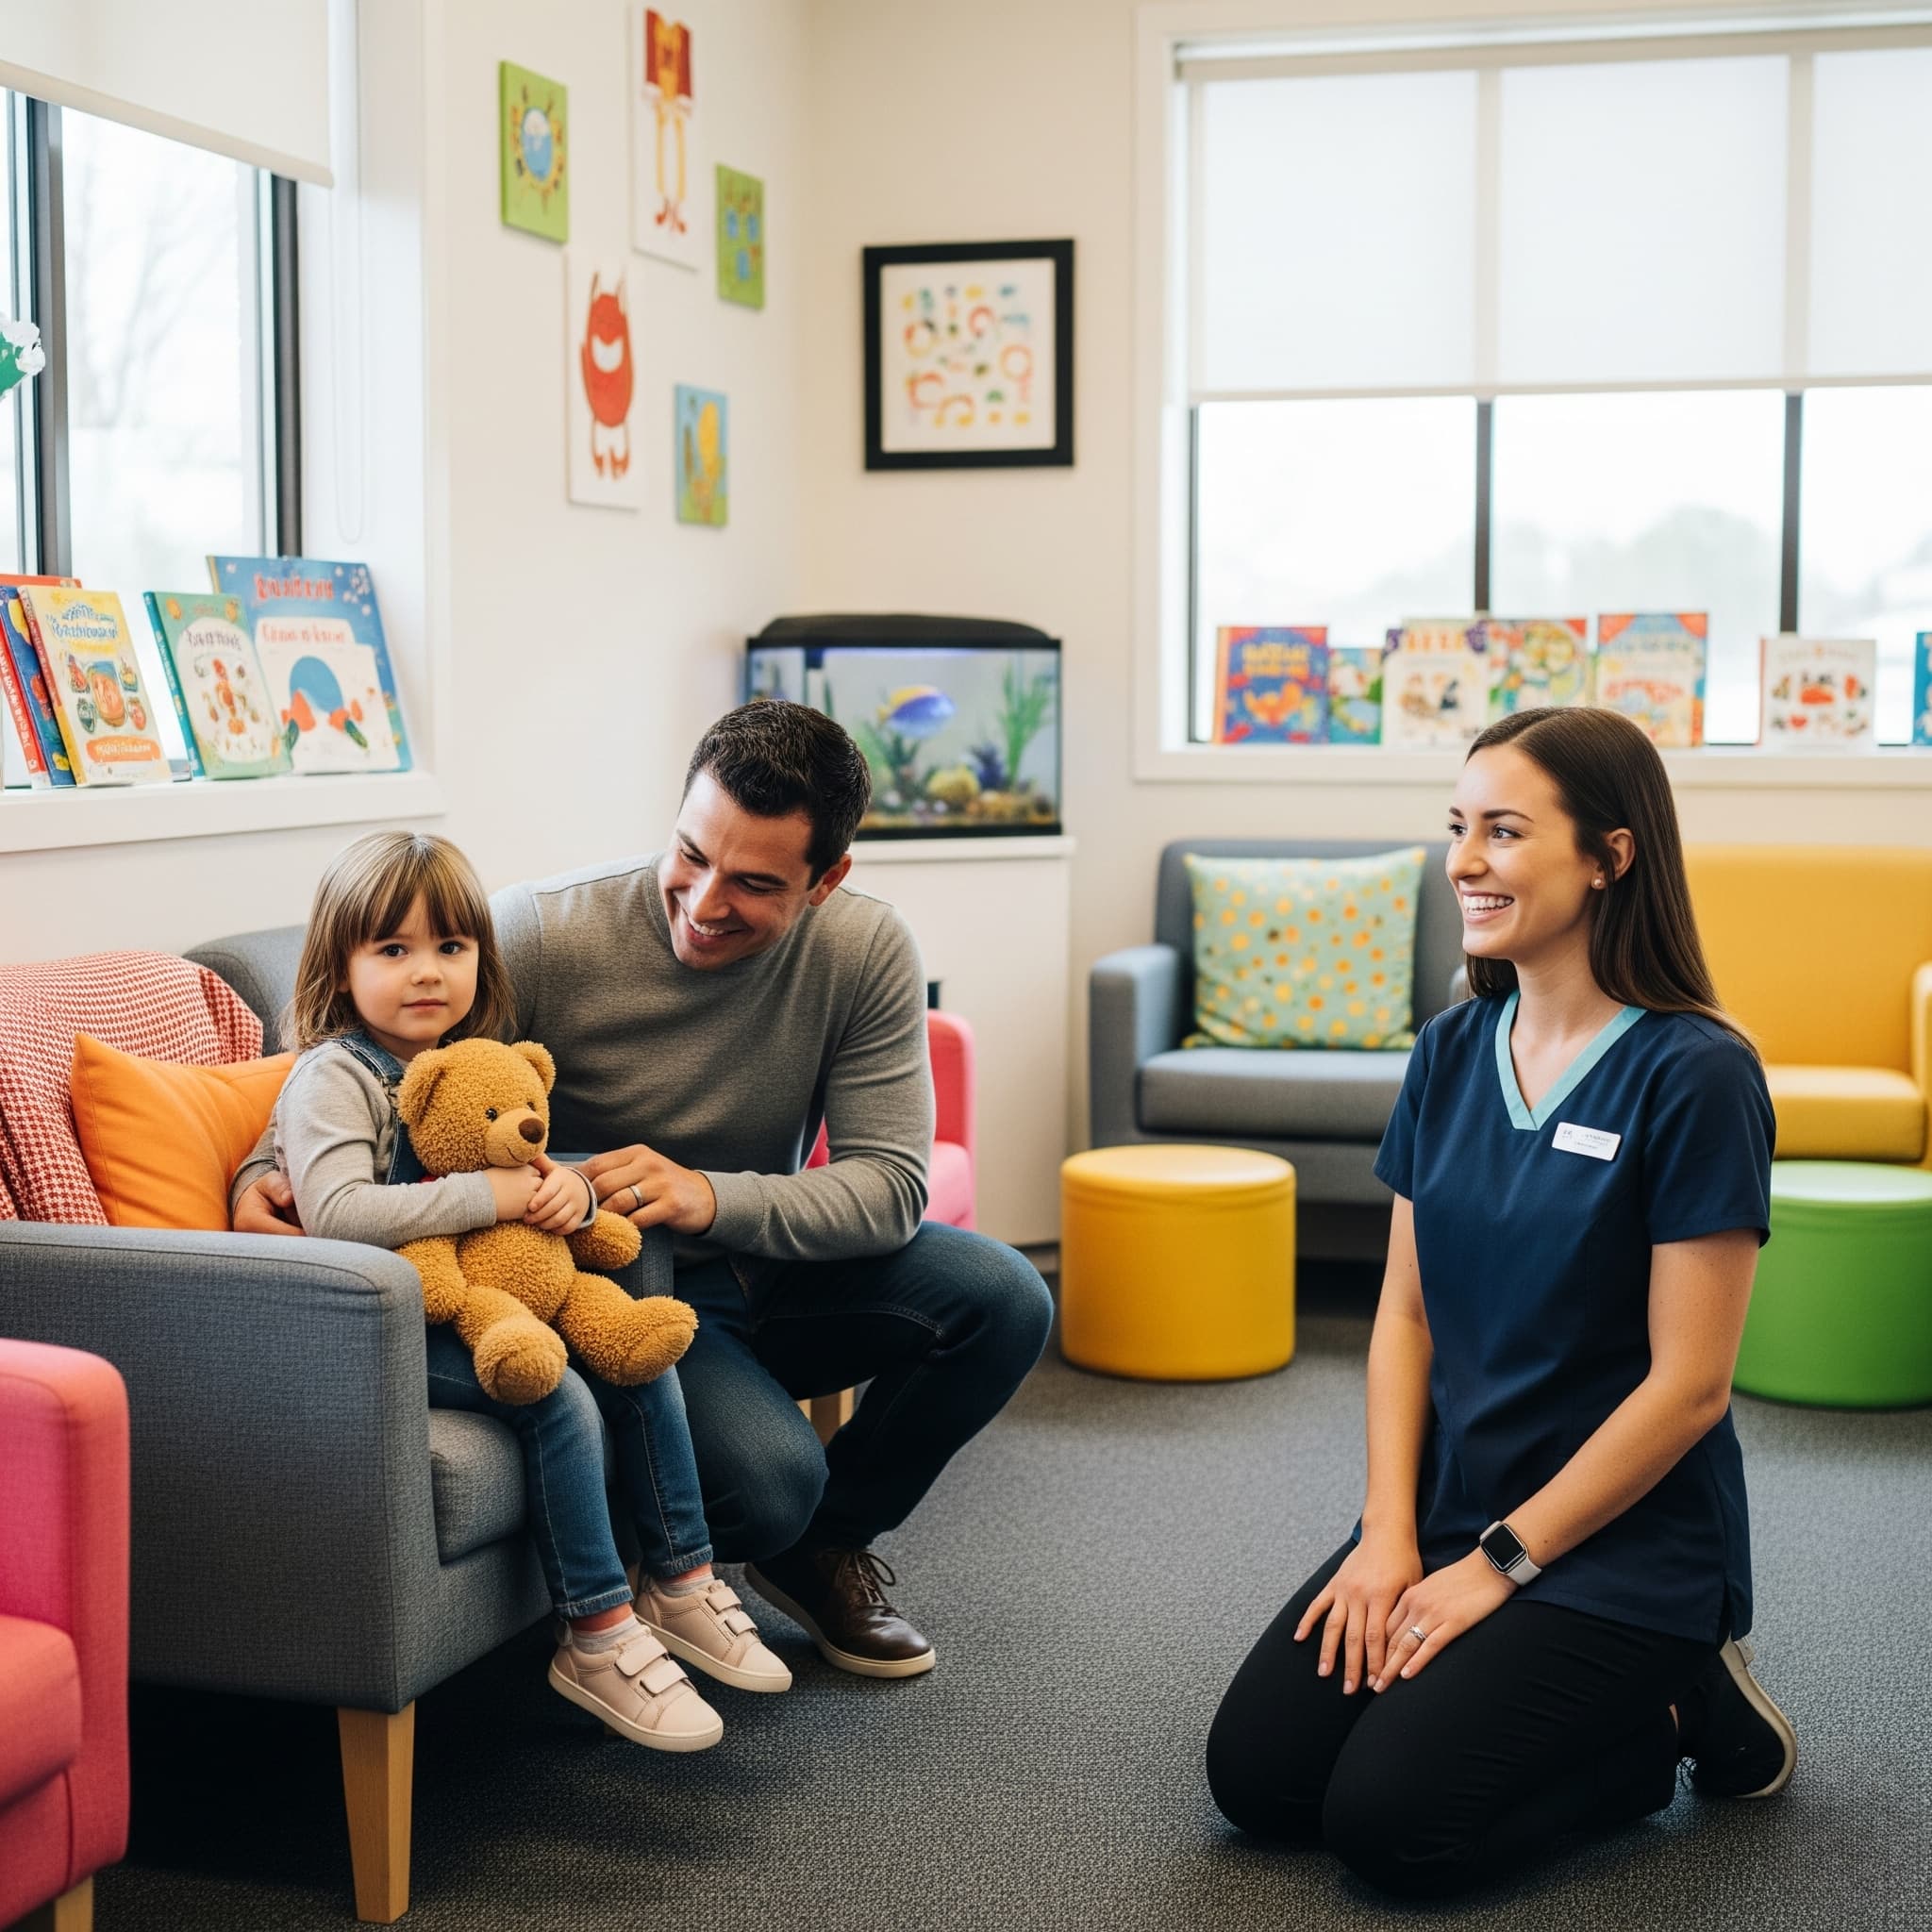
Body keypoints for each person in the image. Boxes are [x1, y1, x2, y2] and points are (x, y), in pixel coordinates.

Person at [236, 702, 1055, 1679]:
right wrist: (259, 1169)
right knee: (766, 1484)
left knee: (1006, 1299)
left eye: (753, 883)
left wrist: (707, 1194)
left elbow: (888, 1188)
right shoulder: (541, 930)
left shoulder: (865, 951)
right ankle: (763, 1529)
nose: (704, 902)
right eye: (690, 854)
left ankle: (824, 1545)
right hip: (626, 1283)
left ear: (826, 880)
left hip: (770, 1256)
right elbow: (368, 1063)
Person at [1206, 705, 1797, 1901]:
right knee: (1261, 1783)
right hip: (1450, 1506)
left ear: (1608, 855)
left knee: (1393, 1828)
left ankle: (1678, 1707)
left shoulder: (1696, 1072)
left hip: (1617, 1543)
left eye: (1504, 830)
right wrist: (1385, 1535)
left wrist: (1498, 1566)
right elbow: (1404, 1318)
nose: (1462, 861)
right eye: (1455, 827)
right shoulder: (1448, 1048)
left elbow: (1687, 1388)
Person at [266, 828, 791, 1754]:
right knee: (558, 1398)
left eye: (450, 947)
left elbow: (529, 1161)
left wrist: (569, 1190)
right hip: (389, 1321)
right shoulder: (333, 1077)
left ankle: (681, 1578)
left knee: (629, 1355)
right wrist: (493, 1192)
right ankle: (593, 1632)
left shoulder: (477, 1058)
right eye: (393, 949)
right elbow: (338, 1210)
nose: (426, 972)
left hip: (493, 1285)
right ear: (339, 967)